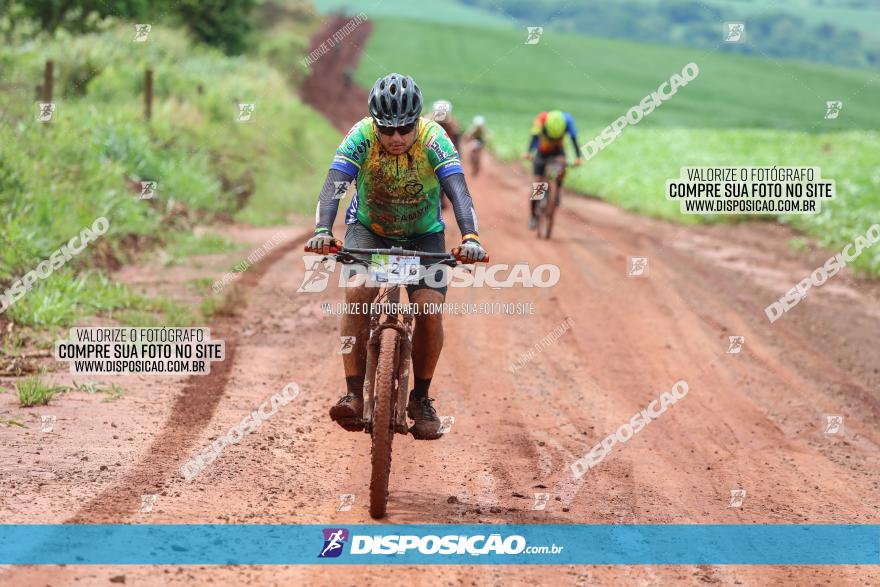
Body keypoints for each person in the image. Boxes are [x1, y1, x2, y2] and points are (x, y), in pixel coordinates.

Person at [304, 73, 488, 440]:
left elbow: (459, 192)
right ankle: (354, 393)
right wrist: (323, 230)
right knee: (357, 294)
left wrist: (471, 236)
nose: (397, 137)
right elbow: (334, 186)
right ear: (375, 123)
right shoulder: (360, 137)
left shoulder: (435, 139)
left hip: (424, 235)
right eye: (387, 130)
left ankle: (421, 399)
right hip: (369, 229)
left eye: (404, 128)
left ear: (416, 121)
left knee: (429, 309)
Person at [522, 110, 582, 228]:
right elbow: (534, 137)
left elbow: (574, 139)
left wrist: (578, 157)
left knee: (561, 165)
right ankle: (533, 216)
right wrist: (529, 152)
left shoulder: (567, 121)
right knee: (538, 183)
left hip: (557, 152)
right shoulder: (541, 119)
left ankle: (557, 189)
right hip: (542, 152)